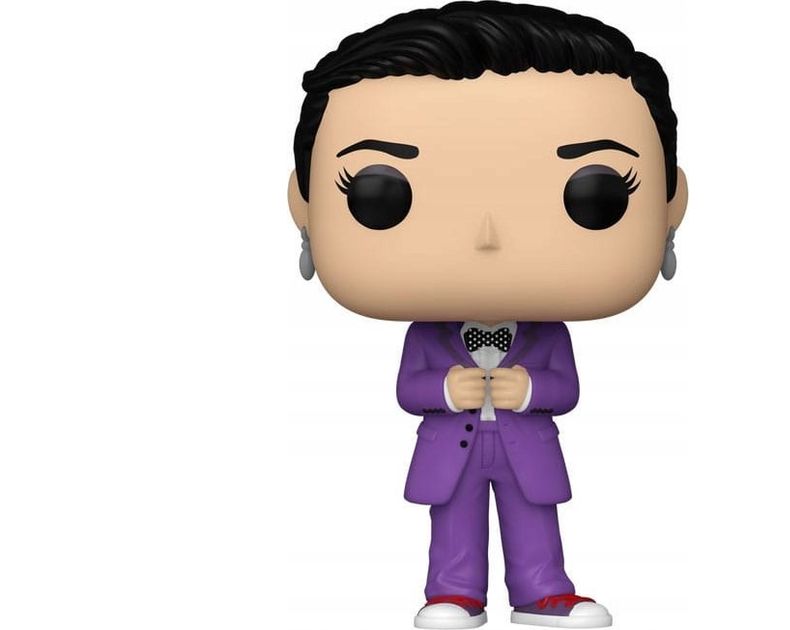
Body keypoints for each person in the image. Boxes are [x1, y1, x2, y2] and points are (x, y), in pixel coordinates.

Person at [288, 2, 686, 627]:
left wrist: (530, 390)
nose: (487, 236)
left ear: (670, 205)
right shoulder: (426, 333)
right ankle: (453, 594)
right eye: (379, 194)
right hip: (452, 449)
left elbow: (566, 389)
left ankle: (544, 592)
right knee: (454, 525)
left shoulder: (549, 333)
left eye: (596, 194)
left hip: (527, 445)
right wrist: (447, 389)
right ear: (304, 205)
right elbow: (409, 389)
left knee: (536, 523)